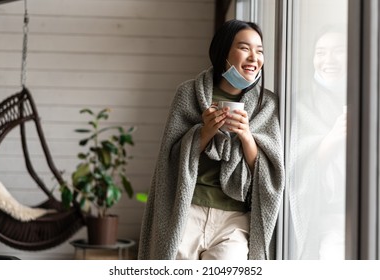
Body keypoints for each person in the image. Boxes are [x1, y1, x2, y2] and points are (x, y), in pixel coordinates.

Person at [138, 19, 284, 260]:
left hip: (234, 220)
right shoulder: (188, 93)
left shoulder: (266, 105)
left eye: (259, 51)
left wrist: (246, 135)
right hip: (187, 211)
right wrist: (204, 131)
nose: (253, 57)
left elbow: (270, 169)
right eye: (244, 48)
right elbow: (169, 159)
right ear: (223, 52)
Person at [290, 26, 347, 259]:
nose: (328, 60)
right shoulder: (298, 104)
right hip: (326, 217)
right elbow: (292, 164)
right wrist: (334, 137)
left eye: (339, 51)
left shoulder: (370, 98)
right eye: (321, 52)